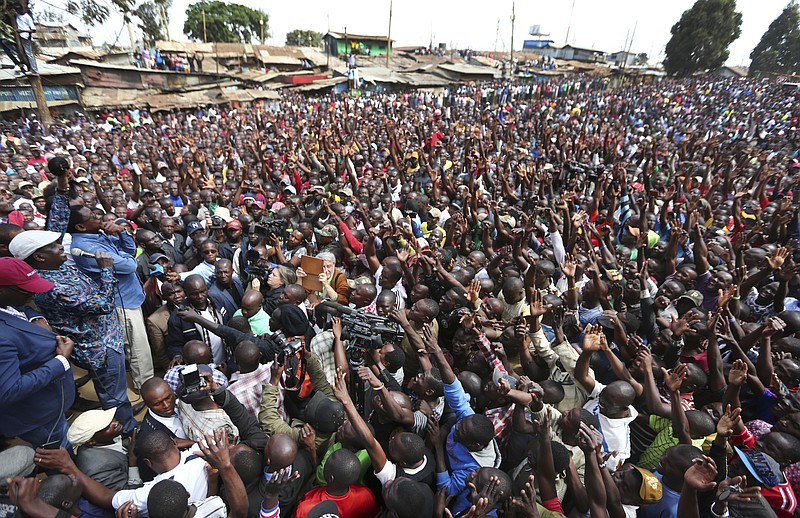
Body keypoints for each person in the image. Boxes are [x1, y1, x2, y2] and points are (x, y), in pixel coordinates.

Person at [9, 230, 138, 434]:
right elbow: (103, 304)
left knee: (115, 391)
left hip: (107, 336)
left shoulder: (61, 268)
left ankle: (124, 416)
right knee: (114, 396)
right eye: (54, 245)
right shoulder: (51, 286)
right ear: (39, 257)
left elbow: (94, 295)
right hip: (98, 347)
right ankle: (128, 431)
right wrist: (106, 269)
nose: (61, 246)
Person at [66, 205, 154, 391]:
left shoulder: (98, 234)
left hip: (130, 296)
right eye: (93, 216)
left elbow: (129, 252)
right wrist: (125, 257)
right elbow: (130, 265)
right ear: (81, 227)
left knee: (136, 345)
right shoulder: (84, 246)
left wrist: (123, 233)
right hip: (122, 303)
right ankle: (146, 387)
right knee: (138, 347)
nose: (100, 218)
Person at [0, 257, 76, 448]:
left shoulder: (9, 301)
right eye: (26, 289)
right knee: (61, 462)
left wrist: (36, 318)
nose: (33, 294)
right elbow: (9, 390)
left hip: (49, 404)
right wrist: (60, 361)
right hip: (36, 417)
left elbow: (18, 310)